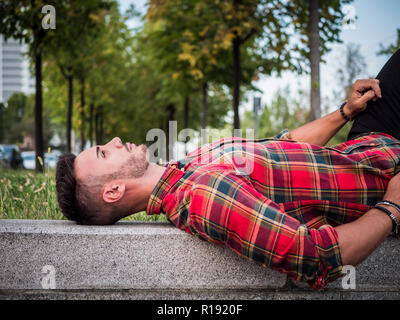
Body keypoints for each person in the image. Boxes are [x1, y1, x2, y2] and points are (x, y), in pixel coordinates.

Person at [56, 50, 400, 289]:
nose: (115, 139)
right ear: (113, 191)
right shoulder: (201, 197)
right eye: (104, 152)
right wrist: (393, 206)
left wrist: (345, 111)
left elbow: (286, 141)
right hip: (385, 173)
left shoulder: (188, 165)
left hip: (366, 143)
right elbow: (316, 256)